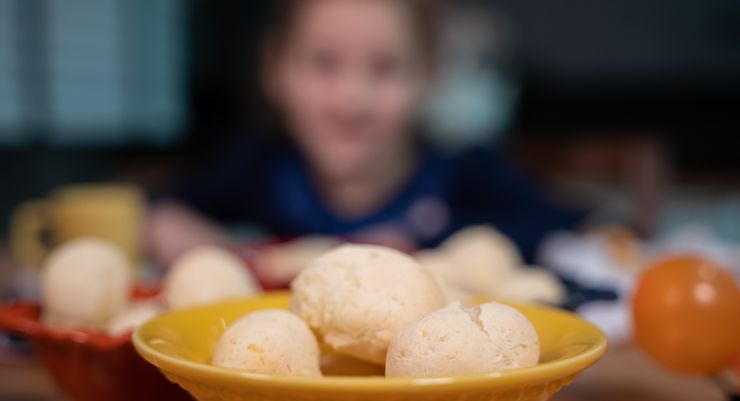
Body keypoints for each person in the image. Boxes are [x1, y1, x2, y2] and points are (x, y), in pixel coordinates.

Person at [148, 0, 582, 268]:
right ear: (275, 69)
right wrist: (181, 232)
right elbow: (161, 207)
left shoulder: (464, 169)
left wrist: (429, 248)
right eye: (323, 63)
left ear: (428, 76)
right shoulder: (259, 165)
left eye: (385, 67)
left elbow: (563, 227)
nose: (352, 101)